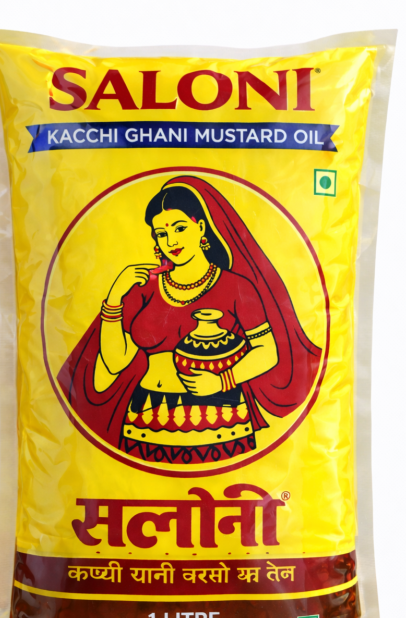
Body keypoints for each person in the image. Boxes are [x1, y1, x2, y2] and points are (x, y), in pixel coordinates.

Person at [58, 176, 322, 465]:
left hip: (221, 415)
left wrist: (221, 381)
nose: (171, 241)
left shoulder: (236, 286)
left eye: (180, 228)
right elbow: (115, 361)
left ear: (201, 227)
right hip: (147, 413)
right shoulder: (145, 288)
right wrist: (114, 298)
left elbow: (267, 351)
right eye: (161, 234)